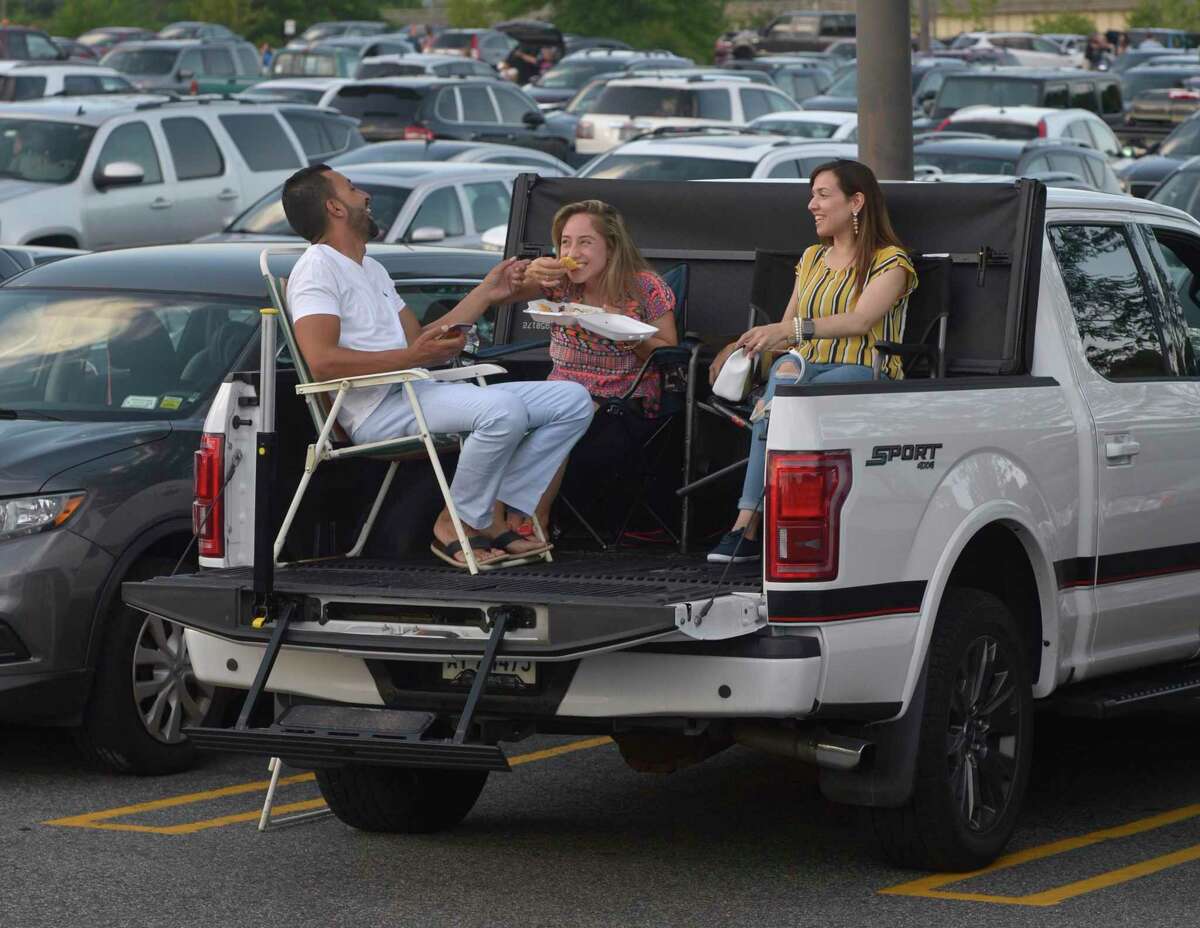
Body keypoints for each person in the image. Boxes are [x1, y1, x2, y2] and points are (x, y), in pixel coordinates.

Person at [280, 164, 594, 568]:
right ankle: (458, 521)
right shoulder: (316, 267)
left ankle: (500, 512)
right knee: (502, 411)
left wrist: (487, 292)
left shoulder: (371, 268)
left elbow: (420, 338)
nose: (365, 195)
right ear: (334, 208)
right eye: (352, 188)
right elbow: (321, 361)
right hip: (376, 410)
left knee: (572, 400)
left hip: (415, 390)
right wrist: (413, 359)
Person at [706, 159, 917, 564]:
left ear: (856, 202)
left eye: (823, 195)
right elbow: (785, 327)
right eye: (812, 195)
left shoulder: (891, 262)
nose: (811, 205)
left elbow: (860, 321)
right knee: (783, 382)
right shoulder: (812, 259)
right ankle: (746, 524)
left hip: (864, 369)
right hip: (805, 369)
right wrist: (739, 346)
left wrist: (791, 333)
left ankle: (746, 530)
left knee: (780, 399)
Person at [509, 199, 678, 532]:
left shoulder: (644, 287)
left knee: (556, 419)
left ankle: (533, 523)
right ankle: (493, 522)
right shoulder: (561, 283)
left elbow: (668, 352)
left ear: (612, 249)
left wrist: (620, 331)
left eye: (585, 242)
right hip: (558, 390)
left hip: (621, 400)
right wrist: (531, 271)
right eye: (566, 242)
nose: (573, 251)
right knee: (503, 416)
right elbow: (508, 291)